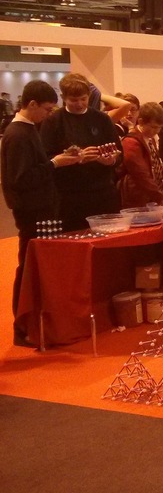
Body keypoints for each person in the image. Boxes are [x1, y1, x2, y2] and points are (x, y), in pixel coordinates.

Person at [1, 80, 80, 346]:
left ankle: (34, 324)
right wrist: (55, 163)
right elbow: (22, 178)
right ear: (32, 104)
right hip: (32, 212)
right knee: (29, 269)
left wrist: (55, 160)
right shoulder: (18, 134)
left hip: (41, 209)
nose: (48, 115)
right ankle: (22, 326)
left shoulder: (27, 130)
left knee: (37, 268)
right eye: (47, 109)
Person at [40, 73, 122, 231]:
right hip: (70, 196)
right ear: (63, 97)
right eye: (73, 100)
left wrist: (110, 160)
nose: (79, 104)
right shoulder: (53, 122)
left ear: (89, 96)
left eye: (83, 99)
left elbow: (119, 154)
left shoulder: (102, 119)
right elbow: (46, 159)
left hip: (103, 193)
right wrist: (74, 158)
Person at [118, 102, 163, 208]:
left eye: (159, 128)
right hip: (137, 199)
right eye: (153, 127)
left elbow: (152, 163)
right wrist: (160, 198)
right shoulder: (131, 142)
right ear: (141, 122)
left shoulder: (150, 139)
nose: (156, 131)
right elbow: (139, 173)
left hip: (150, 196)